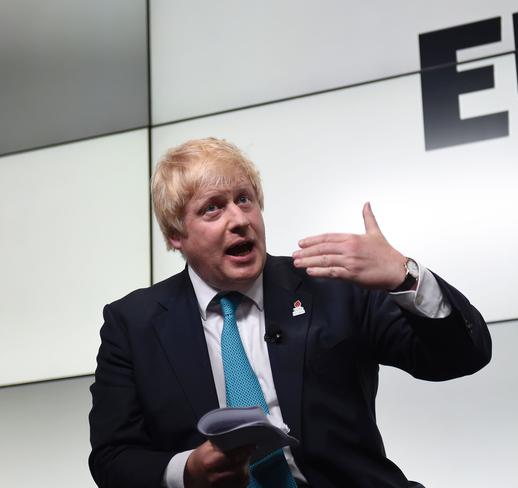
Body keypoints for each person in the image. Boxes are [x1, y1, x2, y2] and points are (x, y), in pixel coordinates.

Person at [89, 137, 491, 488]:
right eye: (213, 209)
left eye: (244, 199)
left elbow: (462, 356)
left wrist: (404, 277)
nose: (240, 220)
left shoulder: (332, 285)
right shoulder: (133, 324)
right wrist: (187, 472)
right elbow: (113, 459)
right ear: (177, 235)